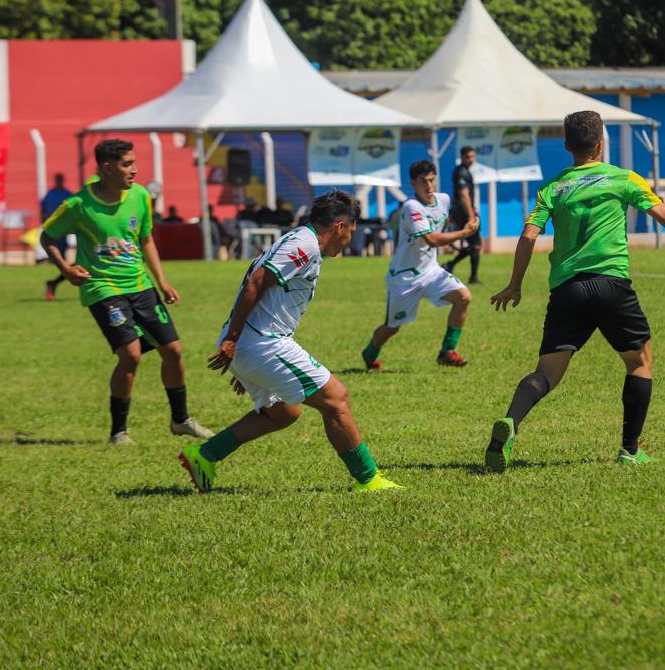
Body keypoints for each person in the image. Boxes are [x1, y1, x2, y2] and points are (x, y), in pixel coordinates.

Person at [484, 110, 665, 473]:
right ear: (601, 144)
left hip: (567, 290)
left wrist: (515, 285)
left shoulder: (552, 188)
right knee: (639, 363)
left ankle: (511, 422)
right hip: (611, 285)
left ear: (566, 146)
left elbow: (529, 236)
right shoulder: (623, 178)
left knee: (545, 374)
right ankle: (629, 450)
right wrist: (664, 205)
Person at [178, 190, 403, 493]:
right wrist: (235, 342)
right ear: (339, 226)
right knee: (337, 399)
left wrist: (247, 360)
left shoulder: (301, 240)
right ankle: (369, 479)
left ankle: (204, 456)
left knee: (283, 412)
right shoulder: (304, 245)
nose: (350, 239)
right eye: (351, 230)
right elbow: (256, 281)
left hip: (254, 344)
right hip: (261, 343)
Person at [40, 139, 213, 445]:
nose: (135, 170)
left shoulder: (141, 196)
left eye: (134, 163)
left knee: (173, 351)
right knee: (131, 355)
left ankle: (180, 420)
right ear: (107, 168)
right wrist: (66, 269)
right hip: (102, 286)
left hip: (140, 284)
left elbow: (146, 239)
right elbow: (47, 235)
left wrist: (161, 280)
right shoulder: (79, 204)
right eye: (127, 164)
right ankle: (119, 431)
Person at [361, 160, 480, 372]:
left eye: (432, 180)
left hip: (431, 270)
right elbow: (431, 239)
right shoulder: (411, 207)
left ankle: (447, 352)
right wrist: (464, 234)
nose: (429, 186)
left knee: (464, 297)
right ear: (413, 184)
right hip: (404, 277)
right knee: (392, 327)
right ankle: (369, 353)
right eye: (423, 181)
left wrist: (469, 221)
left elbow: (441, 224)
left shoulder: (443, 200)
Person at [445, 146, 482, 284]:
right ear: (461, 157)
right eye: (468, 157)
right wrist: (471, 215)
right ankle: (472, 278)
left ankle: (451, 265)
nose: (471, 159)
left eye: (473, 156)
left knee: (474, 246)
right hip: (463, 212)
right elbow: (464, 195)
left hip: (465, 211)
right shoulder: (461, 172)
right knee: (476, 245)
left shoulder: (466, 171)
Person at [40, 173, 75, 301]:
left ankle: (54, 283)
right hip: (54, 232)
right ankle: (53, 283)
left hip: (65, 233)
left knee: (68, 262)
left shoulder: (67, 194)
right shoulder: (50, 194)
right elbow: (42, 208)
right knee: (63, 262)